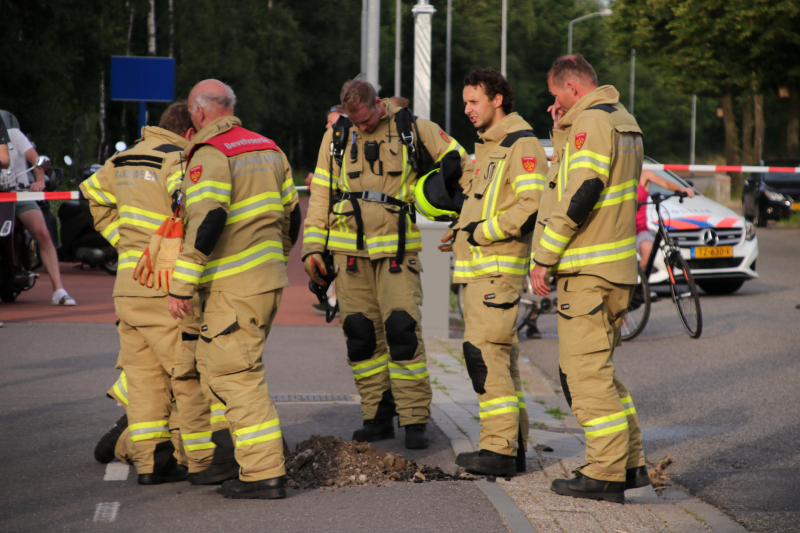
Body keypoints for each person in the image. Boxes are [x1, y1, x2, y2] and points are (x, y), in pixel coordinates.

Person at [302, 80, 473, 448]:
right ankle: (377, 416)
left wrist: (464, 219)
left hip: (398, 252)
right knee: (361, 338)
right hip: (350, 256)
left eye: (366, 120)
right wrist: (313, 248)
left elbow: (462, 163)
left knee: (402, 331)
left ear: (378, 104)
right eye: (356, 122)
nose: (362, 128)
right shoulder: (337, 135)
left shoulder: (412, 127)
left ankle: (414, 420)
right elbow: (320, 193)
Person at [167, 79, 300, 500]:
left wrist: (181, 285)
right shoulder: (268, 147)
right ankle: (242, 457)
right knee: (221, 366)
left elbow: (207, 222)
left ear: (199, 113)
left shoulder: (212, 154)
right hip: (266, 281)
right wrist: (275, 258)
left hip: (232, 286)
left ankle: (262, 471)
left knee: (236, 376)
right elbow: (291, 217)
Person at [82, 102, 224, 485]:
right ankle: (201, 461)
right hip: (165, 288)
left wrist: (126, 245)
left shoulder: (122, 159)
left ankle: (151, 464)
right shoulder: (178, 161)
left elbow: (92, 194)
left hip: (127, 288)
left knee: (143, 379)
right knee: (187, 375)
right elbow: (193, 216)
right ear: (189, 133)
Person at [530, 55, 650, 503]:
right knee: (602, 374)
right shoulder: (621, 119)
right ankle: (630, 463)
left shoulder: (592, 126)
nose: (552, 103)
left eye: (556, 95)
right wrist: (562, 128)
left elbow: (581, 192)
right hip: (616, 269)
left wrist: (544, 257)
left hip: (587, 270)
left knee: (583, 376)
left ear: (573, 88)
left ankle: (604, 472)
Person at [432, 68, 547, 476]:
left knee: (483, 357)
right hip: (481, 274)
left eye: (473, 101)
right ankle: (509, 447)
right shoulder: (491, 146)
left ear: (497, 99)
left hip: (496, 275)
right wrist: (461, 231)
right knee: (499, 360)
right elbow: (486, 203)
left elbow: (532, 203)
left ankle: (498, 451)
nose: (466, 109)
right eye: (465, 102)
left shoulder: (521, 143)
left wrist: (481, 232)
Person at [1, 121, 76, 305]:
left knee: (43, 233)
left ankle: (59, 290)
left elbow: (35, 159)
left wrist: (40, 180)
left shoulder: (14, 135)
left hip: (18, 193)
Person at [636, 169, 694, 270]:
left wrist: (680, 189)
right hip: (621, 230)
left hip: (640, 230)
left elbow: (666, 183)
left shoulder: (644, 174)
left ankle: (640, 282)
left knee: (648, 248)